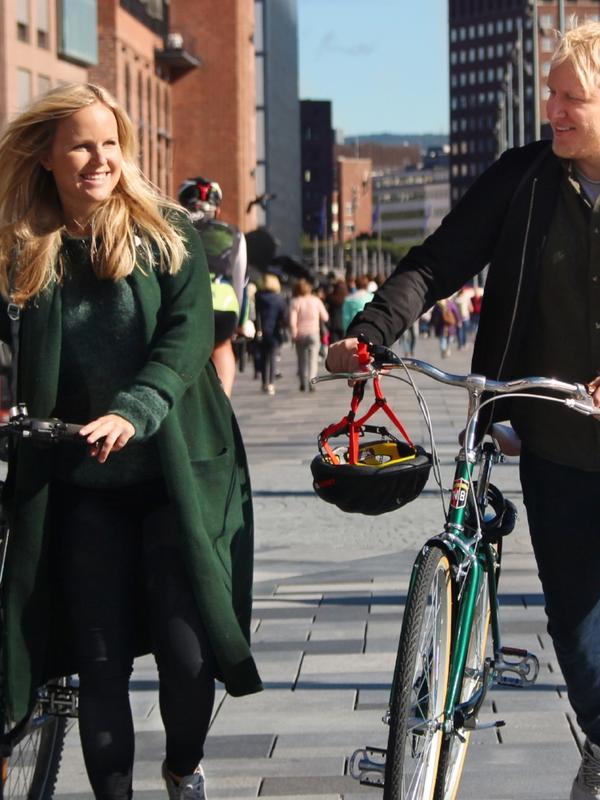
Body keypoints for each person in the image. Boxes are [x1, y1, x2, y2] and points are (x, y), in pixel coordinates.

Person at [326, 21, 600, 800]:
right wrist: (371, 332)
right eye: (549, 92)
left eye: (571, 96)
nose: (553, 108)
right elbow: (437, 261)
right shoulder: (524, 177)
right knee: (577, 634)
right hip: (554, 437)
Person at [0, 82, 262, 800]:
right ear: (47, 155)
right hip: (82, 486)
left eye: (110, 143)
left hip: (174, 478)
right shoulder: (24, 250)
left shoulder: (166, 235)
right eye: (82, 144)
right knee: (100, 661)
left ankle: (183, 769)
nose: (99, 158)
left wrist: (134, 409)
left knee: (186, 657)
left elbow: (186, 342)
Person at [177, 176, 248, 397]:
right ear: (217, 208)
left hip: (187, 300)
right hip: (224, 302)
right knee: (222, 346)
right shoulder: (233, 233)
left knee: (181, 347)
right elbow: (240, 279)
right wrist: (241, 320)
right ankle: (223, 400)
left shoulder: (174, 229)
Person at [289, 278, 329, 392]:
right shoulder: (316, 300)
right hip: (313, 333)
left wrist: (294, 333)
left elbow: (292, 321)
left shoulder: (295, 301)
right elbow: (325, 317)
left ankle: (302, 381)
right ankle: (312, 381)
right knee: (313, 359)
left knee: (301, 359)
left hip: (300, 334)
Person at [254, 272, 287, 395]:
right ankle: (271, 384)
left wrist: (258, 328)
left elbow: (257, 315)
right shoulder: (279, 298)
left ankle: (264, 382)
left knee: (263, 357)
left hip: (262, 331)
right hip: (274, 331)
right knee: (272, 358)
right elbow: (283, 315)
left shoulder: (259, 296)